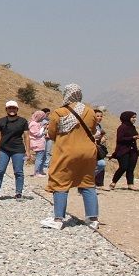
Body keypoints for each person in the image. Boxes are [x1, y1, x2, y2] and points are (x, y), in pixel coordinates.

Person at [41, 84, 100, 230]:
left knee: (60, 181)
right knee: (87, 183)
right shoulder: (90, 111)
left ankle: (58, 219)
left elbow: (52, 134)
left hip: (66, 151)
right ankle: (92, 219)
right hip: (88, 152)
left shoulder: (59, 112)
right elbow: (93, 130)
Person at [0, 101, 32, 200]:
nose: (12, 110)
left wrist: (28, 151)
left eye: (14, 108)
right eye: (10, 108)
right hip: (3, 149)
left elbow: (26, 136)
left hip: (18, 149)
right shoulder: (2, 121)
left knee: (18, 172)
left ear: (17, 109)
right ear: (6, 109)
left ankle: (18, 193)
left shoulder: (23, 121)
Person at [110, 111, 139, 191]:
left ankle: (130, 184)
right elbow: (120, 139)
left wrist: (137, 137)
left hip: (133, 150)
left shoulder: (132, 127)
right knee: (123, 167)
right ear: (127, 118)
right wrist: (132, 138)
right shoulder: (122, 127)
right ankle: (113, 182)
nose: (134, 119)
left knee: (131, 168)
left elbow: (134, 135)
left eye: (135, 117)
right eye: (133, 117)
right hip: (123, 150)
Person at [28, 110, 48, 177]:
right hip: (37, 143)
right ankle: (37, 172)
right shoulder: (34, 124)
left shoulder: (35, 123)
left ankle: (40, 171)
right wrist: (43, 128)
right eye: (42, 117)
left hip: (39, 143)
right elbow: (37, 134)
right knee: (39, 158)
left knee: (41, 158)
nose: (42, 119)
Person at [93, 108, 109, 188]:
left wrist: (102, 137)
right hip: (90, 147)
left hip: (98, 147)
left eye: (101, 116)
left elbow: (101, 134)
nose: (99, 118)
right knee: (99, 164)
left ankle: (99, 183)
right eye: (97, 116)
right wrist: (95, 137)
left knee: (101, 164)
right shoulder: (89, 126)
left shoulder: (99, 126)